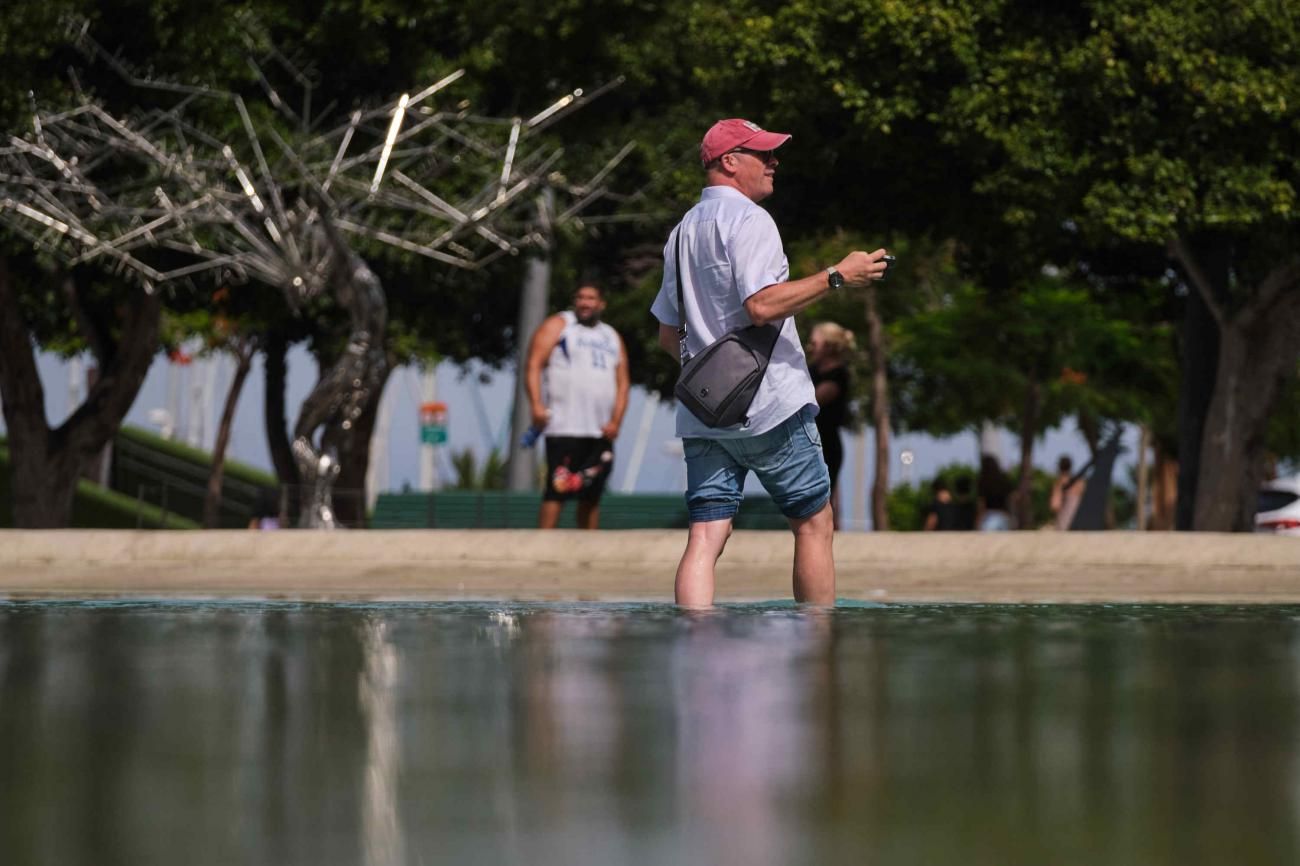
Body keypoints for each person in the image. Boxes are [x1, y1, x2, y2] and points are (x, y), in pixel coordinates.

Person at [650, 117, 891, 607]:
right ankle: (816, 642)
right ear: (729, 162)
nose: (774, 162)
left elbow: (665, 335)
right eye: (763, 153)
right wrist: (838, 275)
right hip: (771, 406)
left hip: (704, 414)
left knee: (705, 535)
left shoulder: (680, 234)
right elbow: (761, 306)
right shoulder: (751, 221)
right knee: (813, 523)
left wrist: (713, 377)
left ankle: (695, 643)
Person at [524, 284, 630, 530]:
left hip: (599, 429)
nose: (585, 303)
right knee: (557, 489)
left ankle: (587, 549)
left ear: (601, 303)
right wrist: (537, 405)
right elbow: (533, 364)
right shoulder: (561, 324)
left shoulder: (611, 336)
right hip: (564, 425)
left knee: (592, 494)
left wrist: (616, 421)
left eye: (591, 298)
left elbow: (623, 383)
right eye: (580, 297)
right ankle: (542, 548)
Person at [806, 322, 854, 529]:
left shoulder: (838, 374)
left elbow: (814, 401)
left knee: (827, 491)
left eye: (814, 343)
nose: (811, 347)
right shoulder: (811, 369)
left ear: (827, 345)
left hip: (827, 441)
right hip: (808, 438)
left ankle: (830, 531)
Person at [976, 453, 1016, 531]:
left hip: (989, 516)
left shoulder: (983, 481)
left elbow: (981, 504)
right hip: (1004, 515)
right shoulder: (1004, 479)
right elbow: (1012, 499)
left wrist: (978, 519)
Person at [1049, 454, 1086, 531]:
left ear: (1059, 467)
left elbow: (1055, 505)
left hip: (1064, 522)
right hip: (1080, 522)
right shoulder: (1080, 483)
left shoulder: (1060, 484)